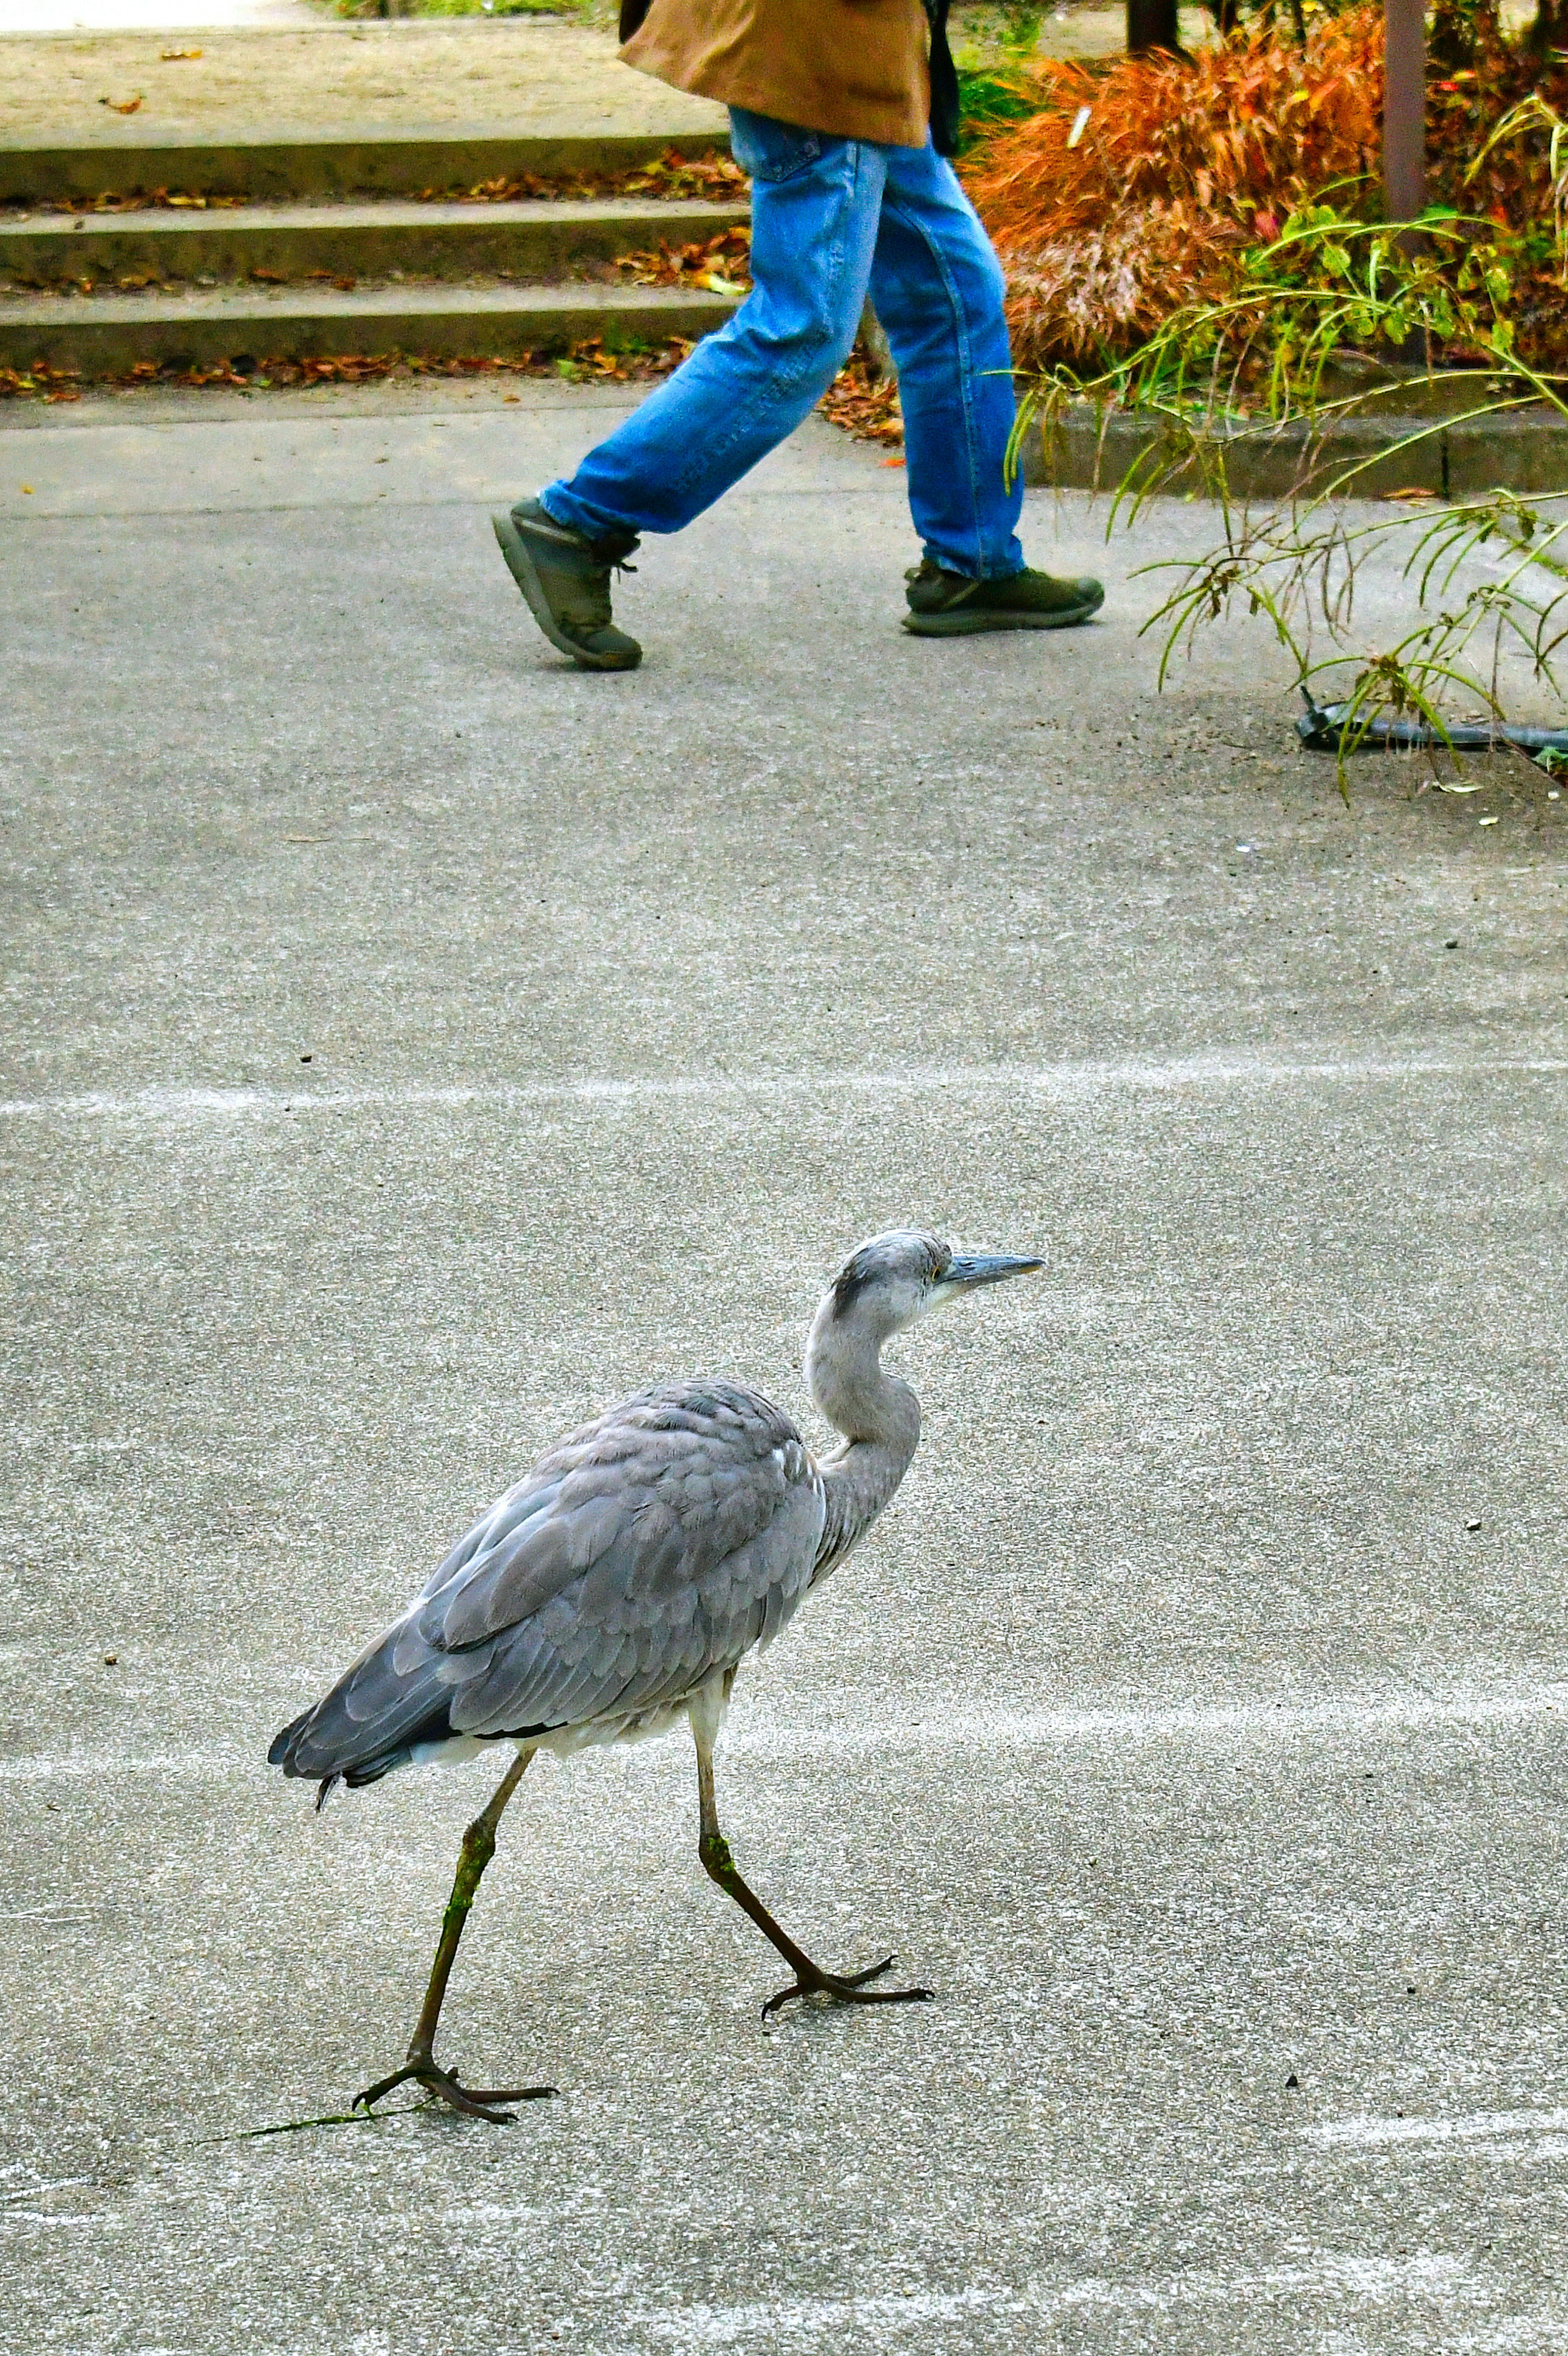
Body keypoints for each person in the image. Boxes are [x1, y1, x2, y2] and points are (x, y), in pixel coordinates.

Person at [492, 0, 1104, 671]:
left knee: (954, 293)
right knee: (802, 328)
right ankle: (579, 522)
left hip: (864, 55)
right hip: (819, 54)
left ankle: (975, 561)